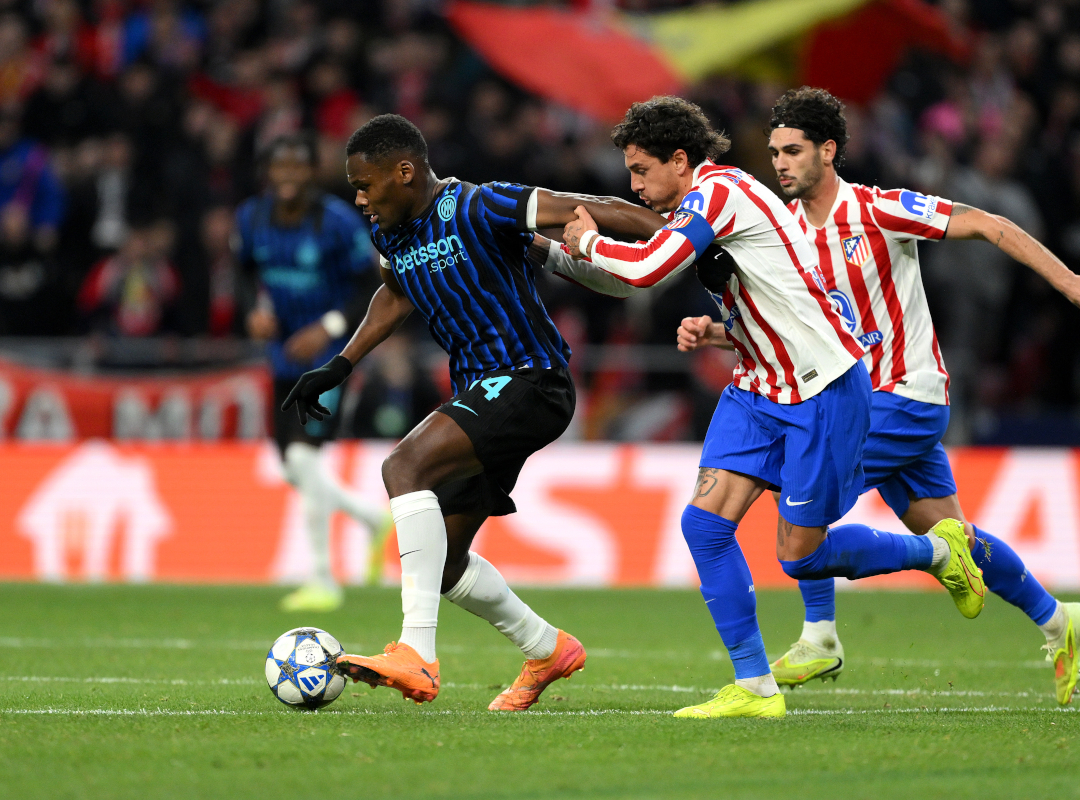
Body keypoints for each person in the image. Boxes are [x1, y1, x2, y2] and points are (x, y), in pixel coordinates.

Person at [676, 87, 1080, 705]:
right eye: (774, 151)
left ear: (828, 151)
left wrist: (1069, 282)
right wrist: (721, 334)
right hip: (854, 397)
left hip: (903, 394)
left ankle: (820, 637)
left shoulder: (877, 210)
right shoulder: (779, 234)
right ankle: (1059, 620)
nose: (779, 163)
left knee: (796, 490)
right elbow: (796, 336)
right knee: (953, 536)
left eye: (793, 150)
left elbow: (989, 225)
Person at [555, 96, 987, 720]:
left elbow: (649, 271)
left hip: (822, 388)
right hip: (760, 385)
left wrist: (590, 241)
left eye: (642, 170)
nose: (634, 185)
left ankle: (940, 552)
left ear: (681, 161)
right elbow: (746, 290)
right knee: (704, 526)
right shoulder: (698, 208)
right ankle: (755, 686)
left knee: (800, 554)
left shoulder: (721, 191)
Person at [282, 113, 666, 710]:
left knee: (403, 468)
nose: (358, 198)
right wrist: (342, 363)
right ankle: (547, 648)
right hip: (483, 389)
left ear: (404, 172)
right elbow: (396, 290)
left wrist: (675, 235)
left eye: (365, 184)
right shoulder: (393, 234)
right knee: (442, 563)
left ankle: (416, 655)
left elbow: (585, 207)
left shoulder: (482, 206)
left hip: (530, 379)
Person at [237, 133, 391, 613]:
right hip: (282, 355)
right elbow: (242, 272)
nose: (287, 177)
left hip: (330, 358)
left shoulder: (338, 222)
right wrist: (253, 309)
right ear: (269, 172)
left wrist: (327, 327)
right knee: (291, 468)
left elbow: (372, 280)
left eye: (296, 168)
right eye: (279, 168)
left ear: (310, 173)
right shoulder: (251, 218)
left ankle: (323, 579)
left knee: (304, 461)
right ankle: (370, 517)